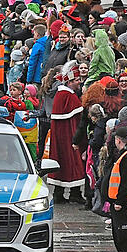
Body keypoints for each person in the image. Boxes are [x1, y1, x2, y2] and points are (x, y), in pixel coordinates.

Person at [47, 65, 85, 202]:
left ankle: (59, 193)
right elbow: (80, 118)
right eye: (77, 80)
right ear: (69, 82)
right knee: (72, 162)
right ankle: (74, 194)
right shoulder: (68, 96)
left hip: (63, 138)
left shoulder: (61, 95)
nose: (79, 82)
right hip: (70, 137)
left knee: (62, 161)